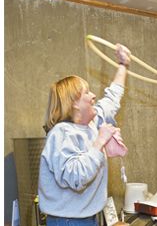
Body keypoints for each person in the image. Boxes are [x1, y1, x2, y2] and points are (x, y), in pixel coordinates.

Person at [38, 43, 132, 226]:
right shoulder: (61, 134)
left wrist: (123, 65)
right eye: (87, 92)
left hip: (87, 218)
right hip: (66, 221)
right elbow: (75, 178)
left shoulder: (92, 124)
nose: (93, 95)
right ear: (74, 103)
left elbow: (112, 98)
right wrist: (99, 142)